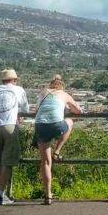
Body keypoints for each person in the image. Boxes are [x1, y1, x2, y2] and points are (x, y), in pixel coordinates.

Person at [33, 74, 82, 205]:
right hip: (56, 125)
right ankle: (57, 150)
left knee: (45, 162)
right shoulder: (64, 94)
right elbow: (78, 110)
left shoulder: (43, 93)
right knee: (70, 121)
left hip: (40, 125)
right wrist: (67, 108)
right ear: (62, 86)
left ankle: (48, 195)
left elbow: (36, 110)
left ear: (51, 85)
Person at [0, 68, 30, 205]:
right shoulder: (19, 90)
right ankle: (2, 194)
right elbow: (26, 109)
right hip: (10, 125)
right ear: (14, 79)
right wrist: (18, 113)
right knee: (8, 161)